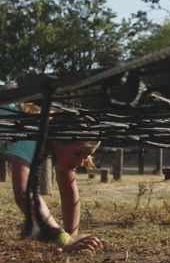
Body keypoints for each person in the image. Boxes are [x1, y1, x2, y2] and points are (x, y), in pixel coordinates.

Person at [0, 103, 103, 254]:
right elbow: (24, 194)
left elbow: (69, 195)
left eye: (86, 155)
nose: (81, 162)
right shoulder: (32, 137)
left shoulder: (59, 144)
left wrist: (71, 238)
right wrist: (64, 239)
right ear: (57, 140)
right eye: (76, 154)